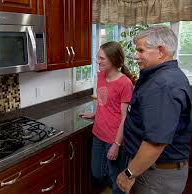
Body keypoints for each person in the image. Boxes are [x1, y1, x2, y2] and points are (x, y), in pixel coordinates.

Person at [116, 25, 192, 194]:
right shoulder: (161, 76)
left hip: (155, 174)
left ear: (161, 51)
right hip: (152, 169)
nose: (135, 56)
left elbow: (155, 143)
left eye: (141, 50)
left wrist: (129, 173)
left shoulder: (162, 85)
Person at [81, 41, 134, 194]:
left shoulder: (125, 83)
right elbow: (103, 102)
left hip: (114, 138)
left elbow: (125, 117)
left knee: (117, 181)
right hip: (98, 134)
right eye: (97, 57)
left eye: (102, 58)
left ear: (113, 59)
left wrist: (116, 144)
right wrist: (96, 113)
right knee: (97, 173)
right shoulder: (101, 76)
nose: (97, 61)